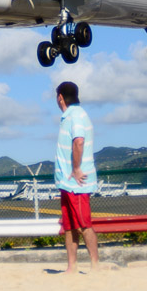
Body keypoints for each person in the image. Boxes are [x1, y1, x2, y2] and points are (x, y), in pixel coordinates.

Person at [54, 81, 99, 272]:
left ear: (60, 97)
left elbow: (79, 141)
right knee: (70, 226)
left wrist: (77, 168)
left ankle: (95, 266)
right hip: (67, 183)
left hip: (77, 184)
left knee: (83, 224)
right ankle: (71, 267)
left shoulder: (77, 116)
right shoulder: (69, 116)